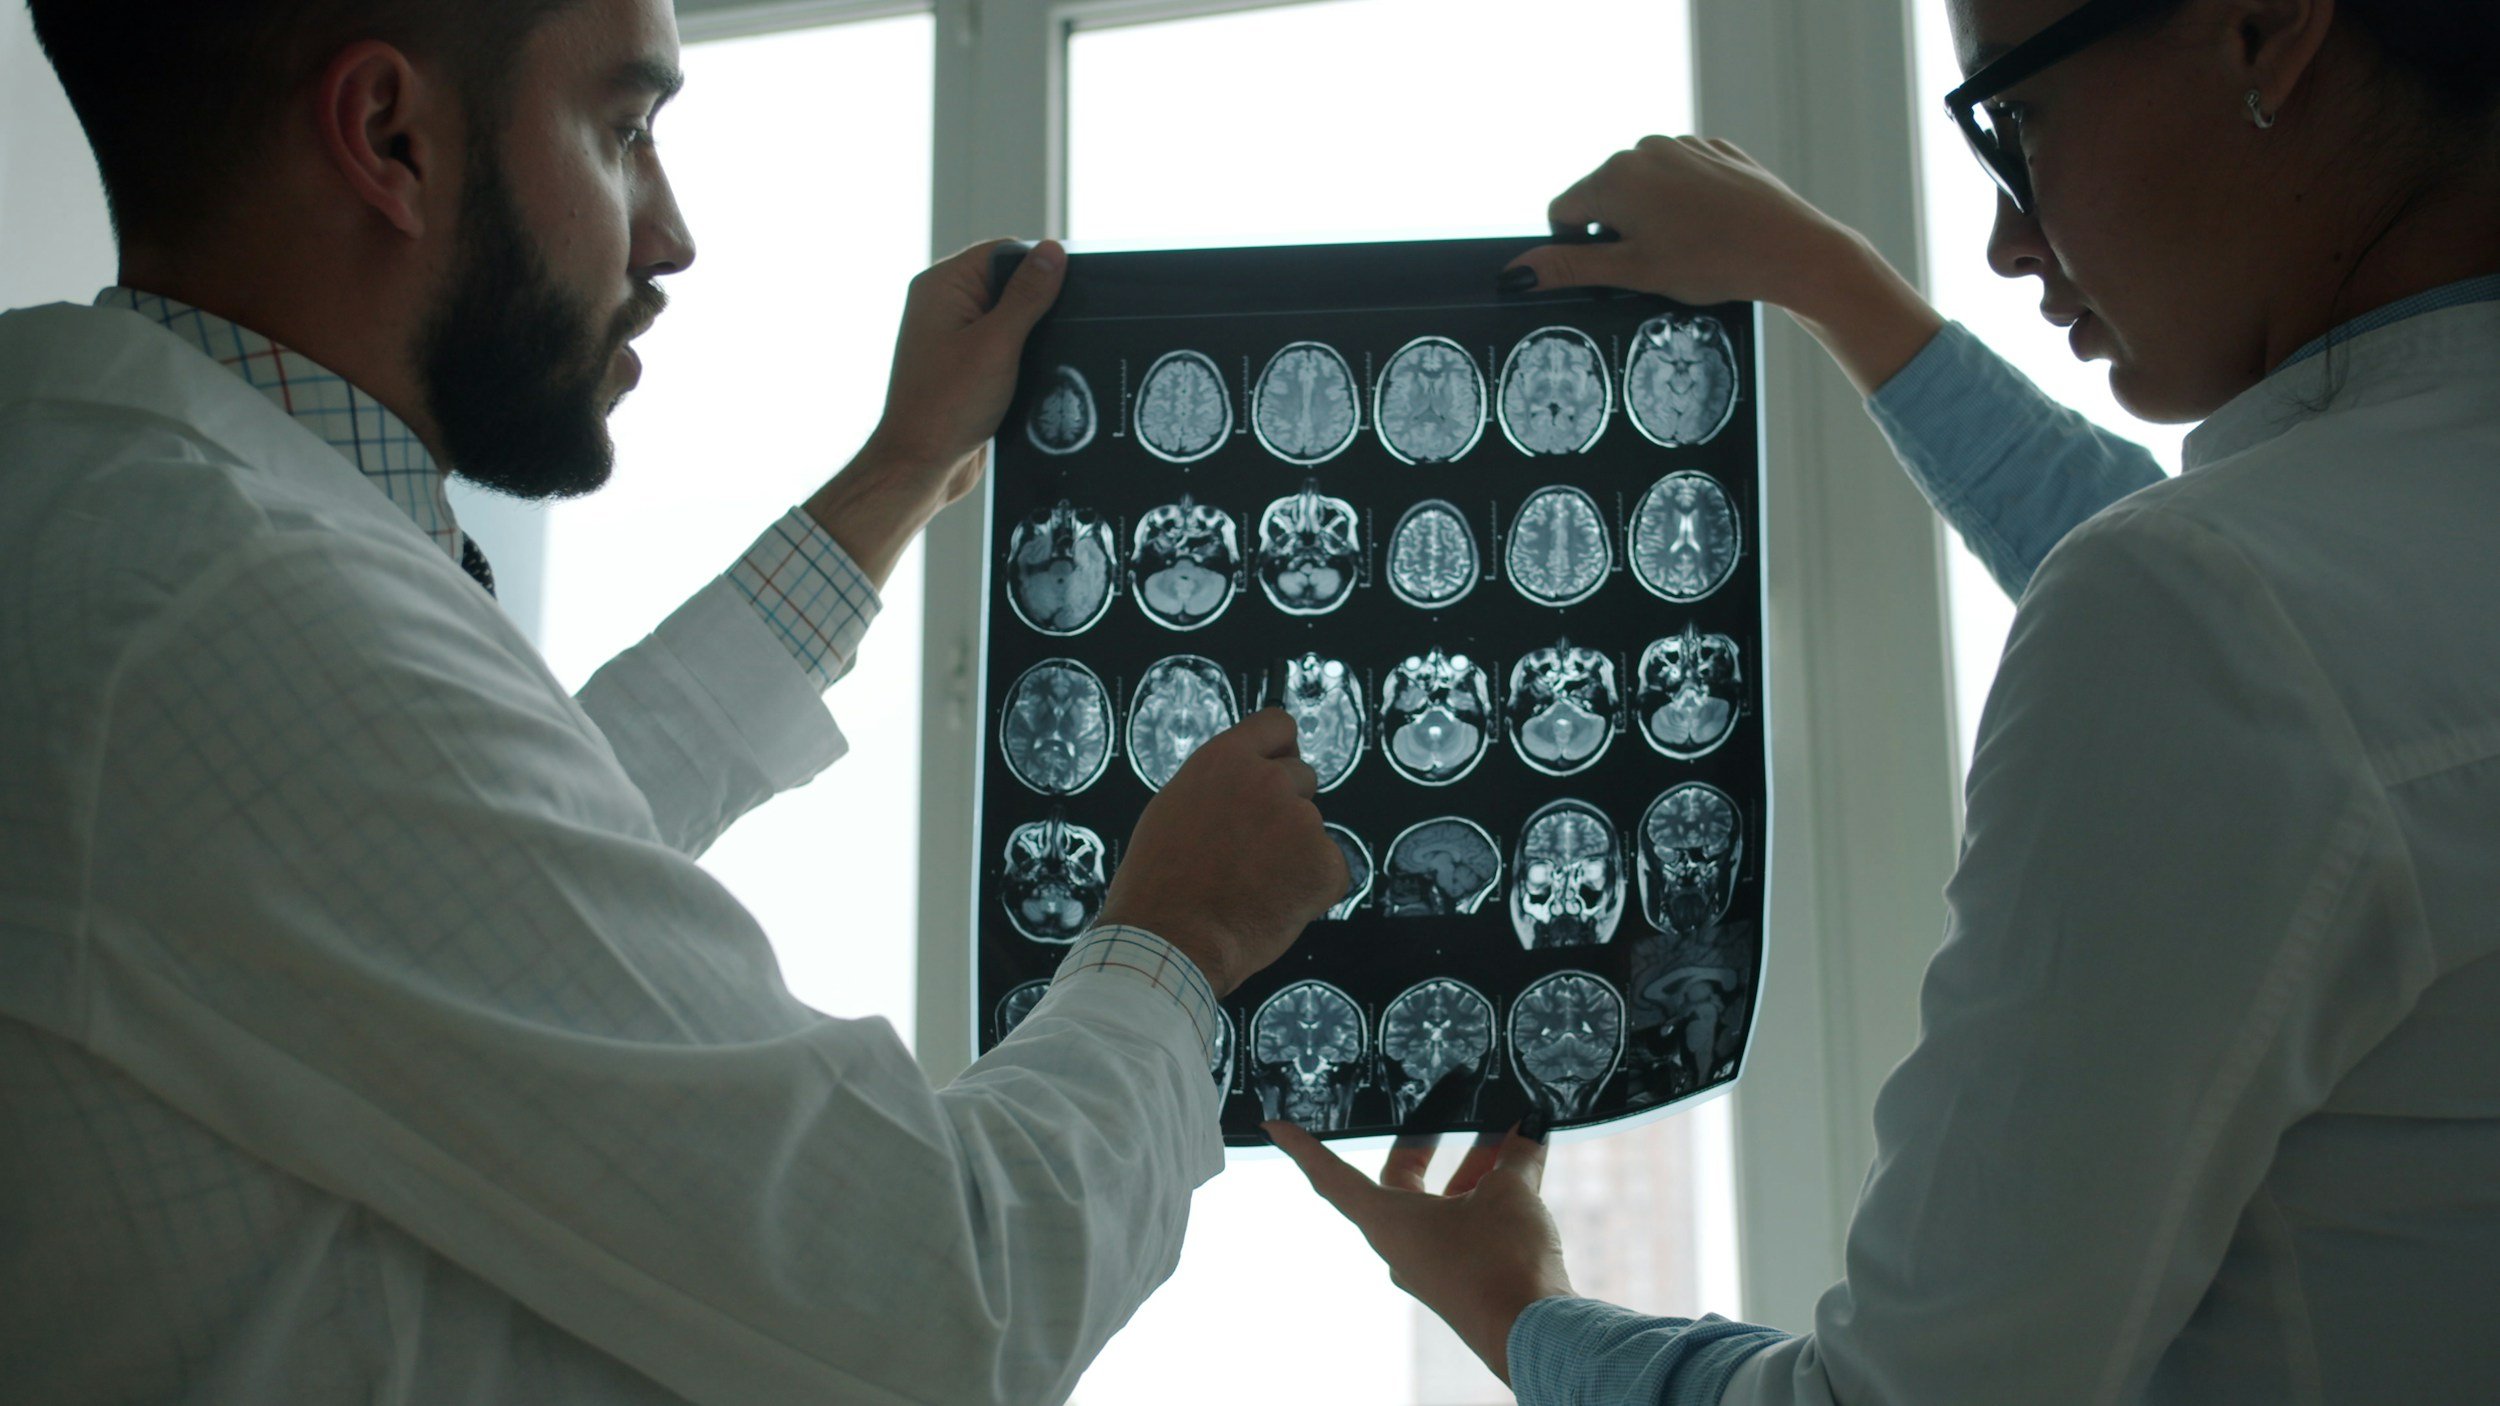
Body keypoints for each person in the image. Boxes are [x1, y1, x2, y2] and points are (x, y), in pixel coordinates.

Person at [0, 0, 1346, 1401]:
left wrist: (897, 478)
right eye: (626, 131)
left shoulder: (127, 530)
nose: (671, 233)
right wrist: (1177, 937)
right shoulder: (226, 607)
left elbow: (489, 858)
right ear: (389, 137)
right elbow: (944, 1294)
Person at [1272, 0, 2500, 1400]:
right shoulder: (2350, 570)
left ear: (2266, 31)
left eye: (2017, 115)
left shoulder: (2210, 615)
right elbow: (2287, 643)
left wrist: (1514, 1308)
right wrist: (1827, 280)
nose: (2005, 240)